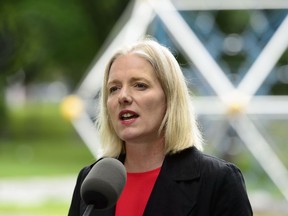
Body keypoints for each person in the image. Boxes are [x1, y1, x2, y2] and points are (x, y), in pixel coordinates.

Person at [68, 37, 253, 216]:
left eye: (140, 85)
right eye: (114, 88)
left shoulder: (218, 180)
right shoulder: (91, 180)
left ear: (170, 98)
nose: (122, 96)